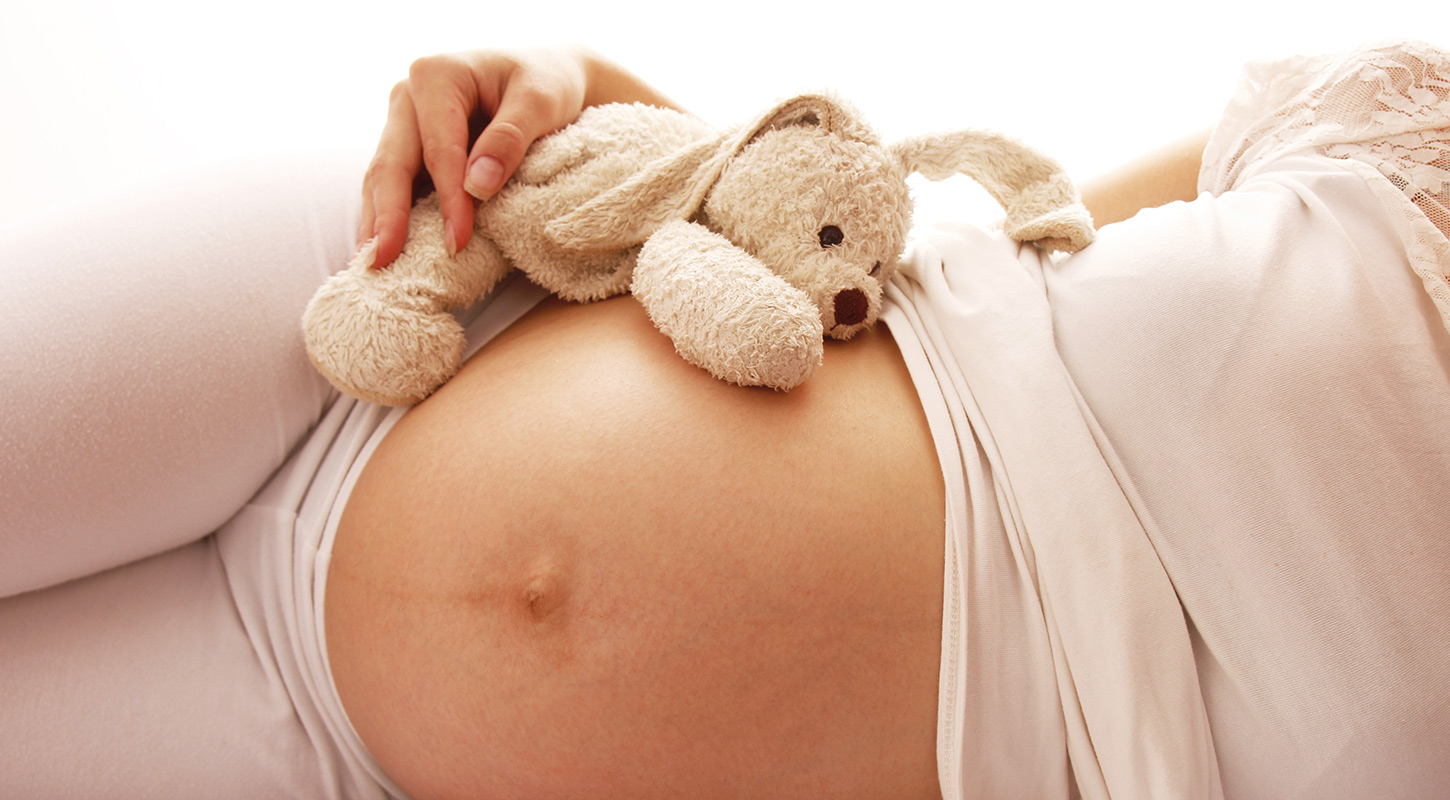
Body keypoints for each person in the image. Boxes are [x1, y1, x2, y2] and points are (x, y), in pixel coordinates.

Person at [2, 41, 1447, 800]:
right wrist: (578, 83)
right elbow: (902, 224)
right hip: (411, 295)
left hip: (338, 764)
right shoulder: (1412, 139)